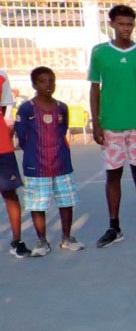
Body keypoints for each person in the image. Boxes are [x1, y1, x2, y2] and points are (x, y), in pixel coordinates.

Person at [89, 4, 136, 247]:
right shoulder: (99, 53)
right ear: (112, 25)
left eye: (129, 24)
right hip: (111, 125)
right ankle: (114, 227)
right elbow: (95, 88)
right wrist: (96, 123)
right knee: (113, 175)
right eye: (121, 24)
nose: (126, 28)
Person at [15, 67, 83, 255]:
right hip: (36, 166)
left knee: (66, 201)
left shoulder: (62, 107)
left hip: (61, 163)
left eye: (51, 81)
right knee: (38, 204)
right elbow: (22, 137)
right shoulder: (26, 108)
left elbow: (62, 130)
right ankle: (42, 241)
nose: (48, 85)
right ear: (34, 84)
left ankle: (67, 238)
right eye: (43, 81)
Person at [1, 68, 29, 257]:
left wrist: (8, 137)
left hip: (2, 146)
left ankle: (16, 241)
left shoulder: (1, 75)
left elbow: (6, 110)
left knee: (10, 193)